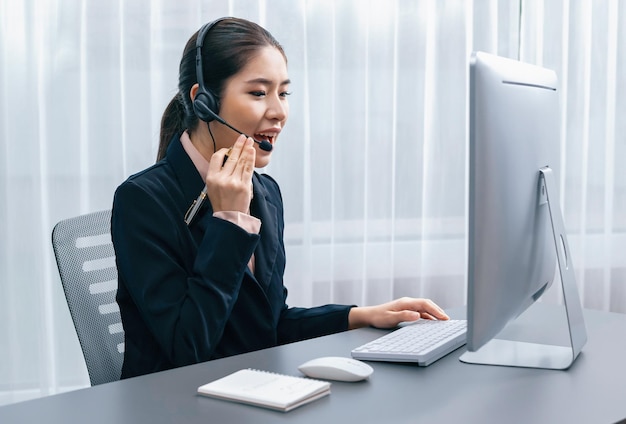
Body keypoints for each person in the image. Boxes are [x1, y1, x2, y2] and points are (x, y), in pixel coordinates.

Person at [111, 16, 449, 379]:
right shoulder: (142, 201)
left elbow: (268, 325)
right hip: (174, 406)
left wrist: (359, 316)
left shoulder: (265, 194)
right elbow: (187, 349)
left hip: (251, 393)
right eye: (258, 93)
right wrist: (229, 222)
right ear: (204, 101)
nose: (279, 112)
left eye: (283, 93)